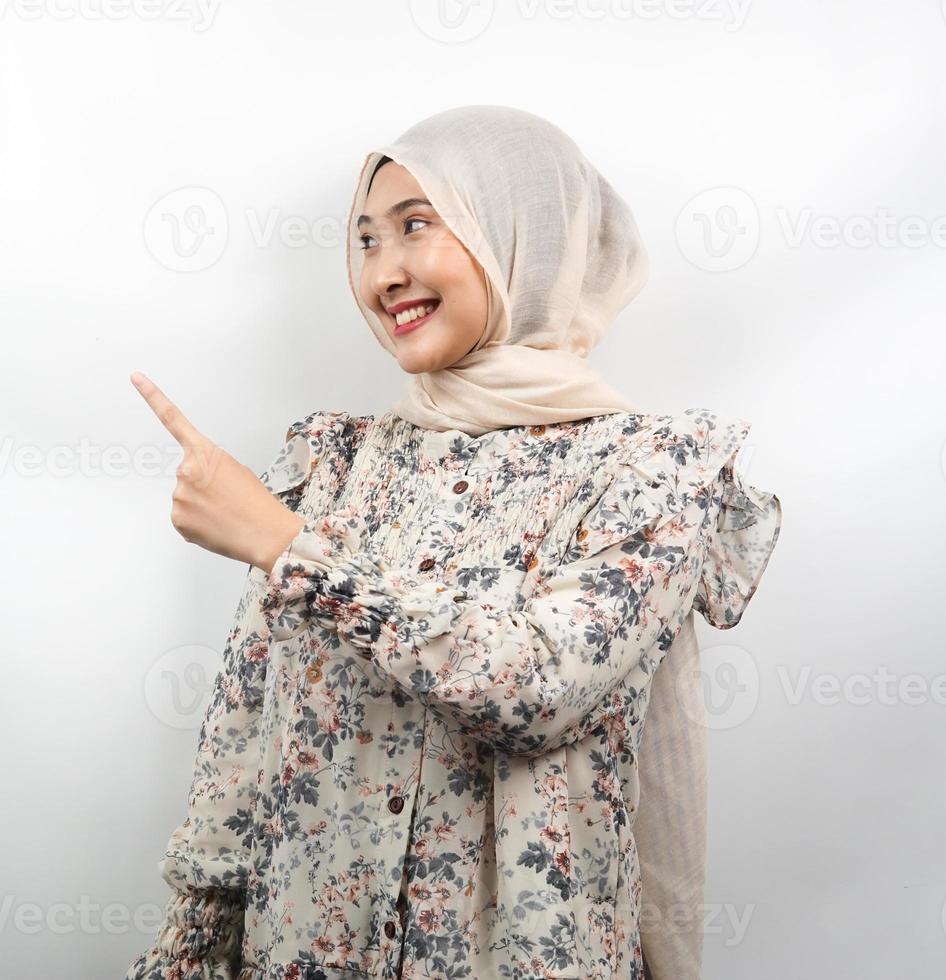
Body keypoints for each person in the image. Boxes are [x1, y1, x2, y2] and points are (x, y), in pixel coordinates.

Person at [125, 104, 782, 979]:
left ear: (523, 237)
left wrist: (291, 550)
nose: (383, 272)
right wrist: (192, 950)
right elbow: (247, 737)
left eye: (417, 226)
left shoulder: (652, 470)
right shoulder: (334, 463)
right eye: (364, 240)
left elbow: (535, 685)